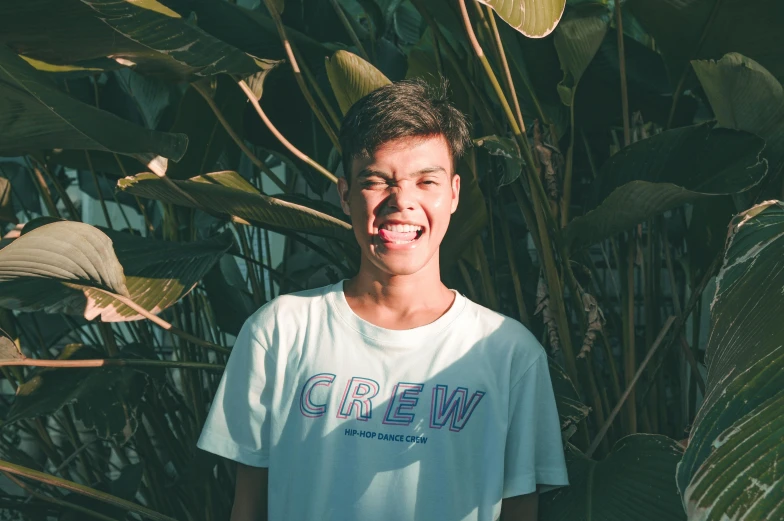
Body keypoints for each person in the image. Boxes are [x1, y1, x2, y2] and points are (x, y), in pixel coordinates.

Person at [197, 79, 569, 521]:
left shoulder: (509, 353)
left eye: (425, 181)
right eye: (377, 181)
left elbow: (520, 510)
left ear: (453, 193)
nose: (401, 202)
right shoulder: (279, 332)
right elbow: (248, 505)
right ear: (345, 194)